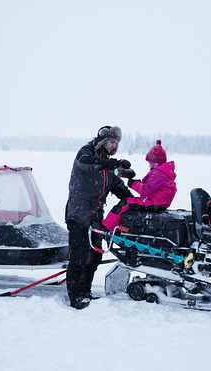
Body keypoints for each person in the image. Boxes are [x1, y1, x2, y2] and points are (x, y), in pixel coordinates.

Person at [64, 126, 134, 309]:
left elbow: (115, 185)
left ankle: (85, 291)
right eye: (112, 142)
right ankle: (75, 296)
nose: (113, 146)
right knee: (79, 255)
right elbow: (88, 163)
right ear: (103, 141)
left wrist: (133, 200)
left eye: (116, 143)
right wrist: (110, 164)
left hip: (96, 216)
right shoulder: (86, 153)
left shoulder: (106, 164)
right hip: (78, 213)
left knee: (94, 255)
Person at [102, 140, 177, 231]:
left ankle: (106, 228)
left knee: (124, 203)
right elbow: (153, 188)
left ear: (155, 162)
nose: (149, 165)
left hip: (152, 203)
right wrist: (140, 183)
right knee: (130, 205)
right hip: (158, 203)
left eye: (150, 162)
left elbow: (146, 191)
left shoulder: (157, 173)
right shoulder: (165, 172)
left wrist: (132, 184)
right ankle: (120, 229)